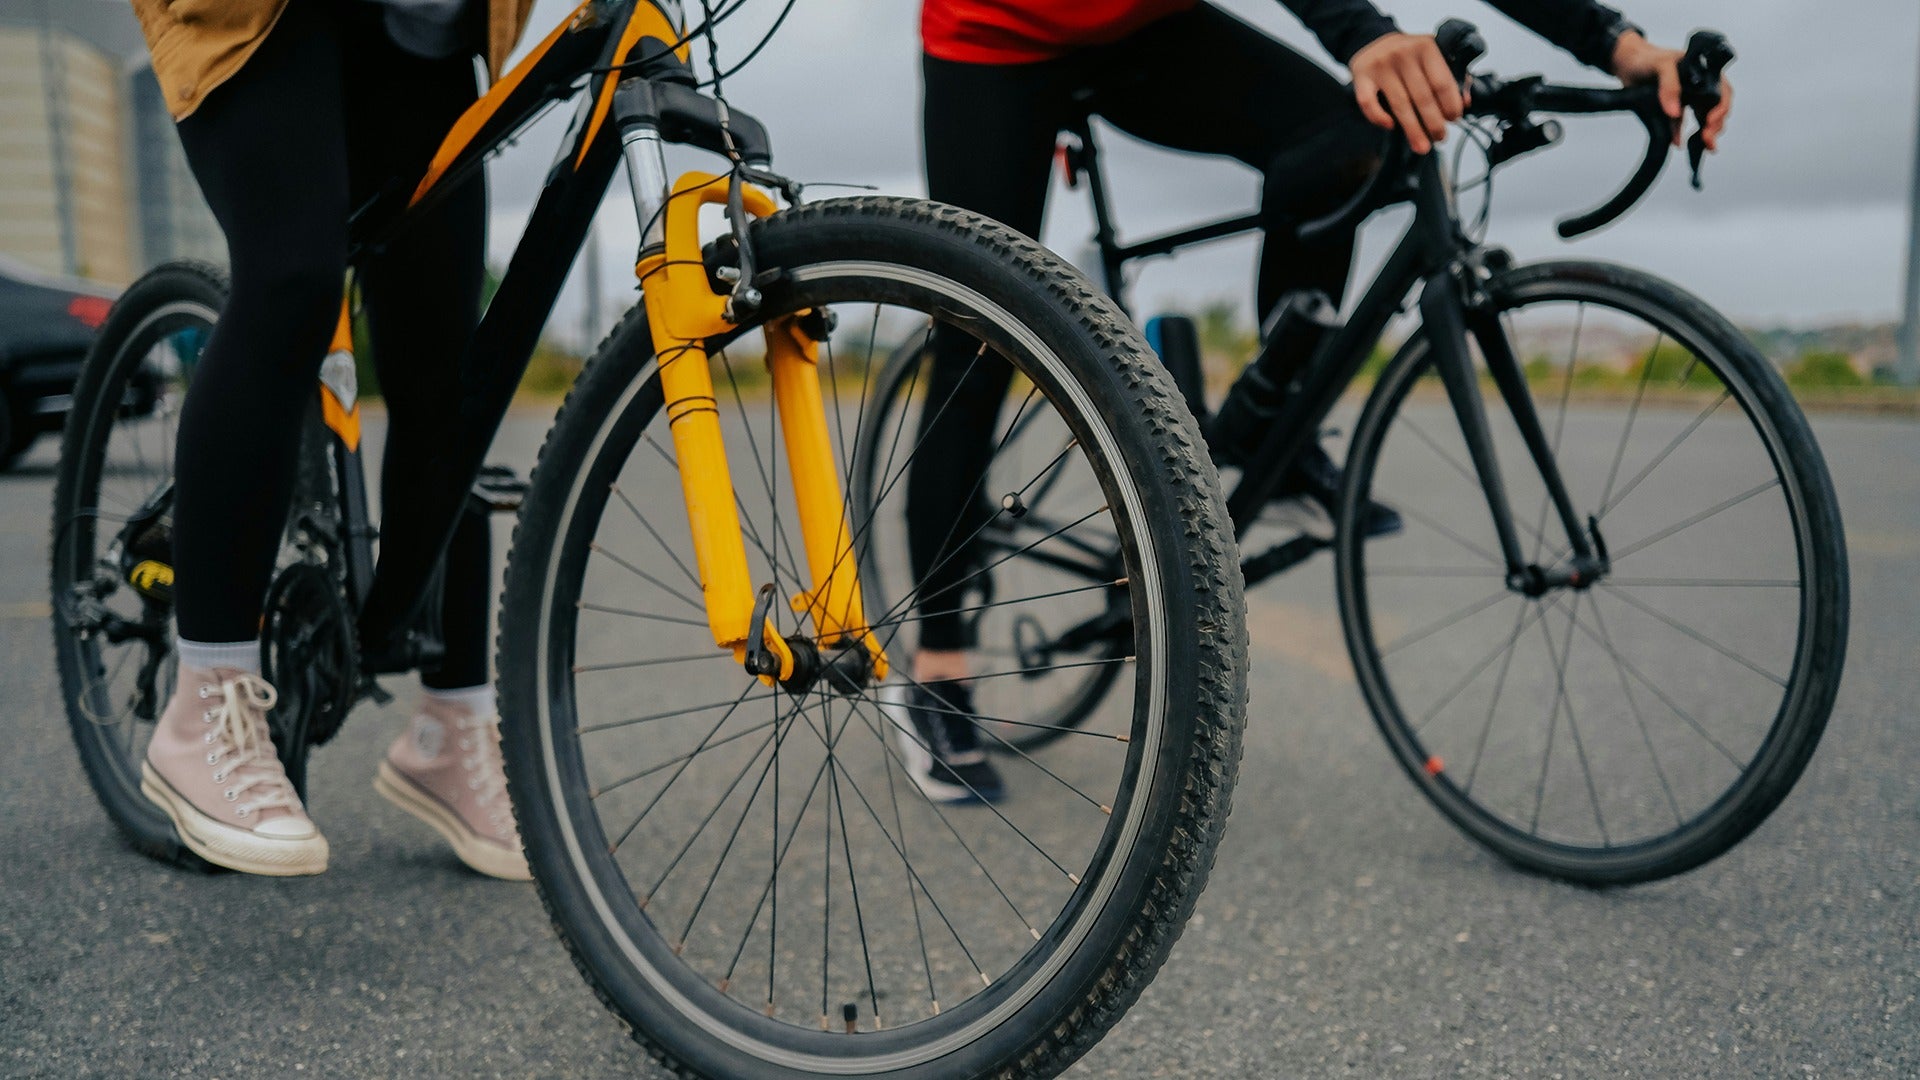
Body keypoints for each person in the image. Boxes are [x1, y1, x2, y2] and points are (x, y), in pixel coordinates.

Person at [894, 0, 1733, 802]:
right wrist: (1362, 33)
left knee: (1344, 138)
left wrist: (1618, 45)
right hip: (995, 33)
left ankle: (1277, 441)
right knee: (978, 336)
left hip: (1140, 25)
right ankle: (937, 668)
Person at [129, 0, 536, 878]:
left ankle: (451, 724)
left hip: (427, 30)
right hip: (266, 16)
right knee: (294, 283)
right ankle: (206, 699)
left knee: (448, 362)